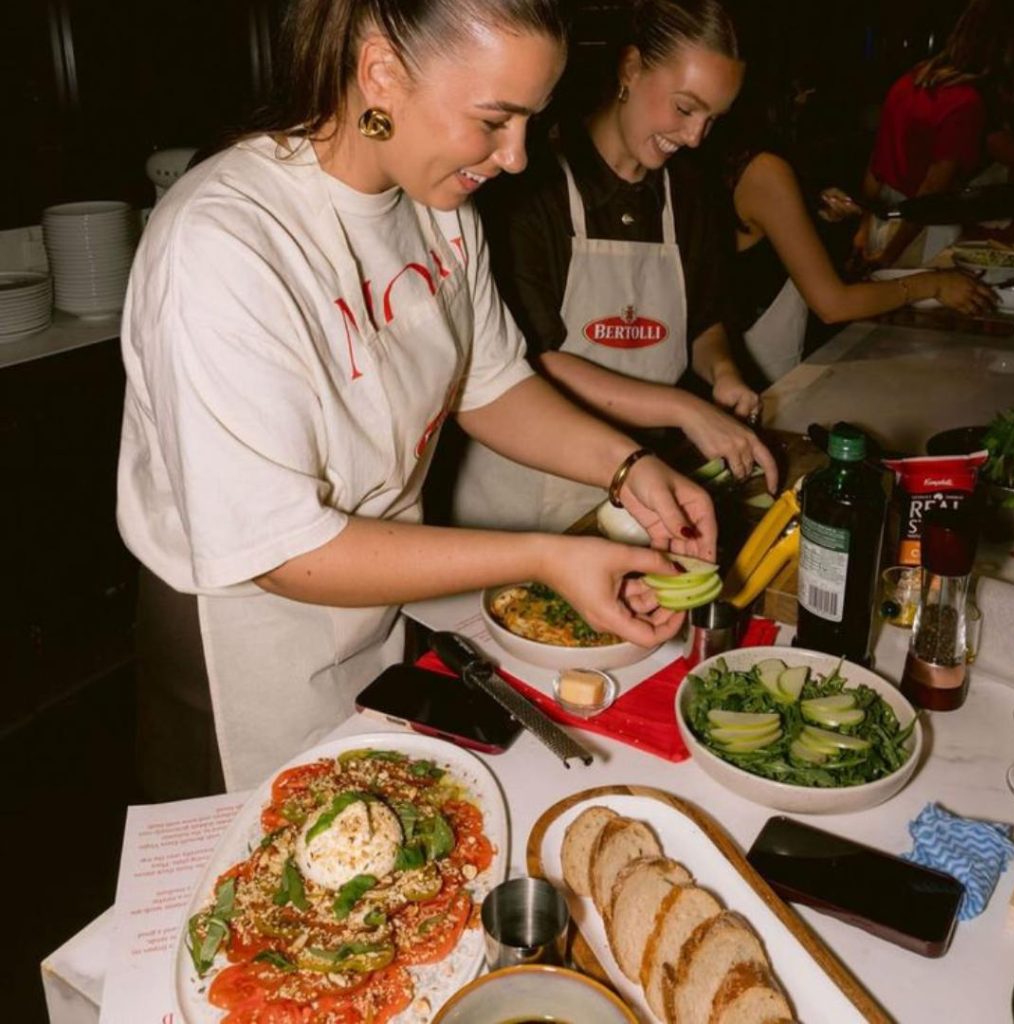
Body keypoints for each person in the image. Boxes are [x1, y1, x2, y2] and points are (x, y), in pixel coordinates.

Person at [117, 0, 718, 798]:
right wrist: (544, 557)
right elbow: (284, 552)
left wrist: (628, 466)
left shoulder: (441, 215)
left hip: (377, 597)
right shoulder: (226, 241)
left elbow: (493, 383)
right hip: (245, 640)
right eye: (495, 120)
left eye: (529, 123)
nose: (515, 158)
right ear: (382, 74)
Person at [449, 0, 777, 534]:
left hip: (639, 495)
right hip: (524, 496)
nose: (694, 137)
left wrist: (723, 374)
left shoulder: (688, 191)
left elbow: (704, 322)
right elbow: (528, 360)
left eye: (712, 120)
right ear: (630, 69)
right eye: (685, 108)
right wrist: (686, 410)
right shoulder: (531, 186)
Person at [708, 73, 997, 387]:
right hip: (756, 368)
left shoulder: (727, 159)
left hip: (733, 357)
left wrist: (817, 213)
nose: (805, 97)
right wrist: (934, 284)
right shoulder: (764, 169)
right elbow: (833, 304)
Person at [853, 0, 1014, 268]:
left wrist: (864, 227)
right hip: (920, 235)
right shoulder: (966, 103)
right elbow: (931, 193)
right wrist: (890, 255)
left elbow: (877, 164)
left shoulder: (912, 80)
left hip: (883, 223)